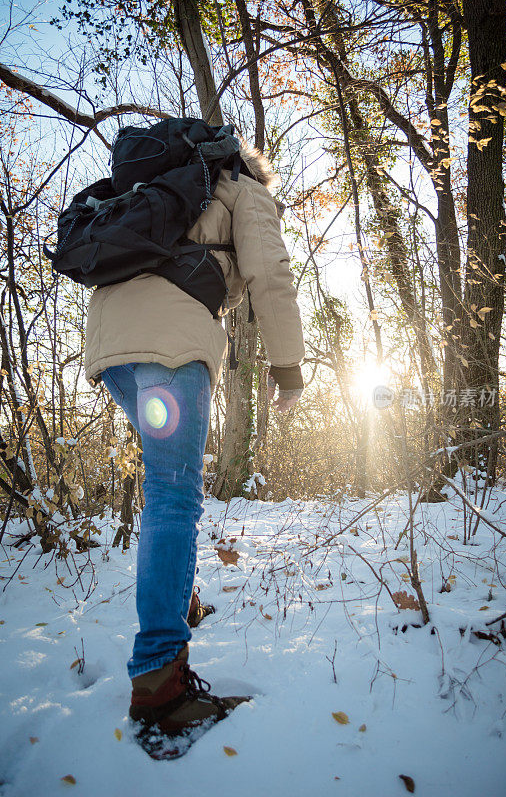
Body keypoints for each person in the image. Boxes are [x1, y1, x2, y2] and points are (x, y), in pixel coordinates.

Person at [84, 141, 305, 740]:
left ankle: (180, 603)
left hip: (110, 351)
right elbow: (271, 272)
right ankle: (160, 682)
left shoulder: (153, 188)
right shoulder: (240, 187)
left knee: (166, 487)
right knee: (174, 495)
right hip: (172, 345)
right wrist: (288, 366)